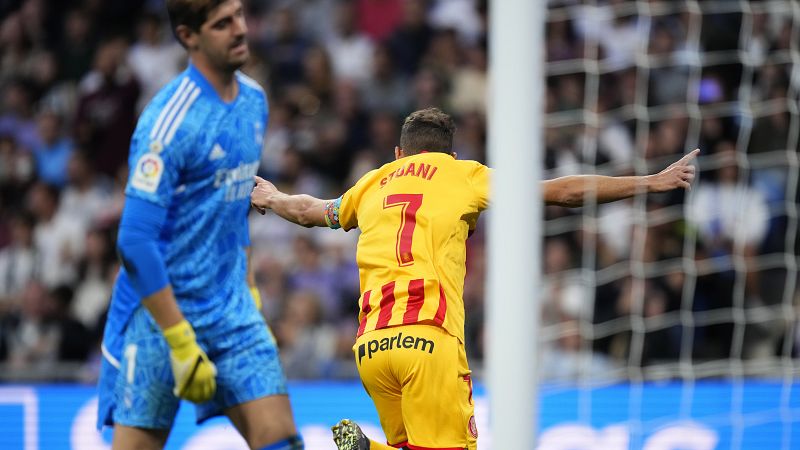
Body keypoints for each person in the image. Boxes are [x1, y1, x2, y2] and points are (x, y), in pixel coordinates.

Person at [250, 107, 698, 450]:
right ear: (452, 153)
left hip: (371, 347)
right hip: (428, 339)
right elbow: (564, 192)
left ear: (398, 154)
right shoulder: (465, 175)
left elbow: (311, 211)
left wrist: (272, 196)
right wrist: (651, 182)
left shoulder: (370, 183)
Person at [96, 1, 303, 449]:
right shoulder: (167, 123)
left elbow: (231, 209)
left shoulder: (254, 102)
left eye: (240, 16)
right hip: (160, 315)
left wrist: (248, 290)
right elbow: (133, 241)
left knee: (283, 441)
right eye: (222, 24)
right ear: (189, 36)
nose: (240, 30)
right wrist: (178, 336)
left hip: (231, 309)